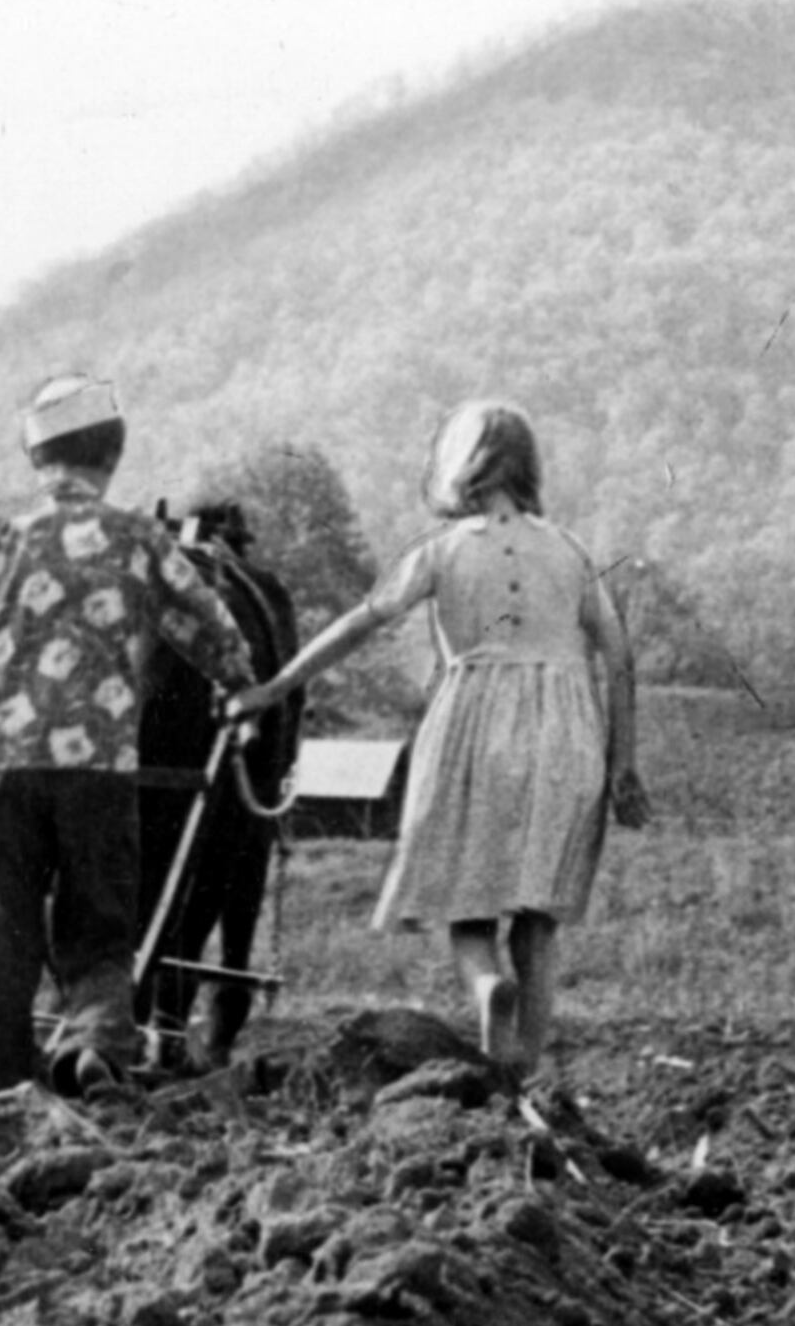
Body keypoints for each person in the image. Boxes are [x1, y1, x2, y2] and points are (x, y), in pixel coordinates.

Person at [225, 400, 644, 1082]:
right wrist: (624, 763)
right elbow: (620, 661)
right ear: (528, 466)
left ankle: (485, 989)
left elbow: (363, 621)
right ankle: (521, 1077)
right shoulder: (571, 552)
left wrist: (275, 686)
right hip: (568, 736)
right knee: (538, 923)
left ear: (460, 465)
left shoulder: (443, 550)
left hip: (473, 729)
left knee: (465, 903)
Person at [0, 374, 257, 1102]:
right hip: (98, 775)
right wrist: (239, 686)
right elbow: (212, 629)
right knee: (99, 935)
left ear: (36, 458)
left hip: (7, 777)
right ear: (114, 453)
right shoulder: (138, 540)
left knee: (1, 958)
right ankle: (93, 1048)